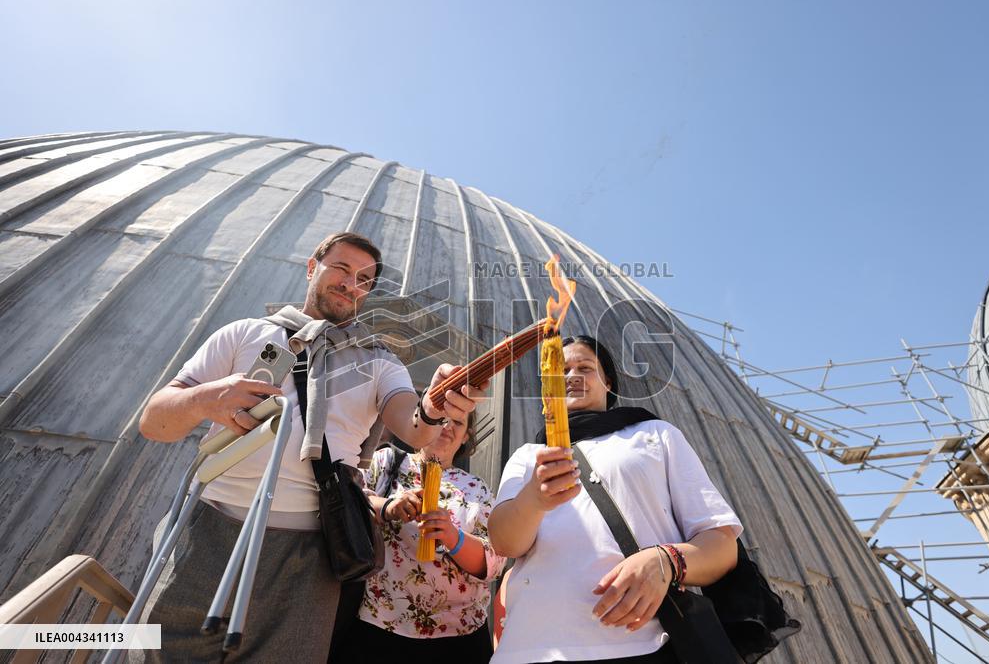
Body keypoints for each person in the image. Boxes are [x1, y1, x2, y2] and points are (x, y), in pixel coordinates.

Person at [136, 231, 486, 662]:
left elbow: (413, 426)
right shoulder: (246, 333)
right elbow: (154, 421)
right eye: (341, 268)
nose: (350, 283)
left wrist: (433, 407)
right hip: (207, 529)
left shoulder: (379, 363)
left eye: (364, 279)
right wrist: (206, 398)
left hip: (308, 555)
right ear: (311, 268)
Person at [488, 335, 742, 664]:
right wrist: (534, 499)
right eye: (560, 371)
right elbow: (504, 542)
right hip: (529, 649)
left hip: (639, 645)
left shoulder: (654, 435)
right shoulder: (529, 456)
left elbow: (722, 545)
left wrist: (665, 561)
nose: (572, 376)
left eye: (585, 367)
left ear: (608, 382)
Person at [333, 408, 505, 662]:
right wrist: (390, 507)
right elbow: (352, 504)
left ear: (466, 435)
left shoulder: (477, 489)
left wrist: (452, 537)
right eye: (441, 418)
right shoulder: (388, 461)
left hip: (458, 636)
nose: (447, 426)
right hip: (382, 624)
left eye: (457, 422)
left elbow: (493, 562)